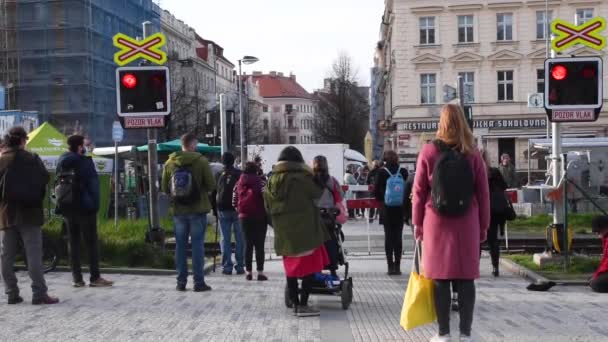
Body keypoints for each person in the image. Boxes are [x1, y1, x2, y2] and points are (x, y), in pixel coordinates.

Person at [412, 104, 490, 342]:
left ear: (441, 123)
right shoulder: (473, 152)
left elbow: (418, 191)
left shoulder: (428, 151)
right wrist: (484, 225)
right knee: (466, 278)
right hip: (467, 222)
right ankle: (465, 334)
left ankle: (443, 333)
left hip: (436, 221)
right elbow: (483, 192)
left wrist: (417, 223)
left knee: (440, 278)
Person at [264, 146, 329, 317]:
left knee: (290, 269)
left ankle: (294, 303)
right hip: (305, 231)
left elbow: (267, 206)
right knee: (309, 268)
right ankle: (303, 305)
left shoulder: (271, 180)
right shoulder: (303, 178)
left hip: (284, 233)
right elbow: (318, 193)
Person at [0, 126, 59, 305]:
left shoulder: (1, 160)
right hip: (30, 214)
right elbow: (45, 179)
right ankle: (39, 293)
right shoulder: (32, 158)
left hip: (6, 215)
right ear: (23, 140)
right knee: (33, 256)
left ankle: (12, 293)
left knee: (6, 257)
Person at [56, 134, 113, 288]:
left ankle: (77, 279)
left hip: (68, 207)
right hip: (85, 207)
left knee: (73, 243)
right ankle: (95, 277)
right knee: (91, 243)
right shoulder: (85, 162)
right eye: (85, 144)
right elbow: (93, 186)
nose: (87, 147)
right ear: (80, 147)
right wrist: (95, 205)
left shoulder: (61, 161)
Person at [162, 133, 216, 292]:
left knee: (180, 247)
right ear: (192, 145)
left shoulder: (169, 163)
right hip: (198, 210)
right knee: (197, 246)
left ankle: (181, 282)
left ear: (181, 145)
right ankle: (199, 283)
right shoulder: (201, 161)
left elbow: (165, 188)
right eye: (196, 144)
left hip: (179, 210)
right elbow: (211, 185)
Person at [374, 150, 408, 276]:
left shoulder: (382, 172)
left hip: (386, 209)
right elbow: (409, 190)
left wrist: (383, 199)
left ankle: (390, 266)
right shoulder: (403, 172)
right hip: (400, 210)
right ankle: (398, 266)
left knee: (388, 237)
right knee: (398, 237)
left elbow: (376, 192)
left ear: (385, 159)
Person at [233, 162, 268, 281]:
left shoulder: (239, 183)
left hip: (244, 218)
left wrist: (240, 211)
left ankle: (248, 272)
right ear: (256, 170)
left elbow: (234, 201)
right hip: (260, 217)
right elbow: (267, 199)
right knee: (259, 246)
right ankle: (260, 272)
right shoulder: (262, 182)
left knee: (247, 245)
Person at [312, 155, 344, 277]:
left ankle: (316, 268)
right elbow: (339, 197)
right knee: (331, 240)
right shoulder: (332, 181)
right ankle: (332, 268)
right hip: (328, 218)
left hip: (313, 219)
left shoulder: (308, 181)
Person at [216, 152, 244, 275]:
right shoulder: (240, 174)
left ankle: (227, 266)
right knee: (240, 238)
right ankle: (240, 266)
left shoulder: (218, 174)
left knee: (225, 238)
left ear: (222, 162)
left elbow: (213, 192)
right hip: (237, 209)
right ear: (233, 161)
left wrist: (214, 208)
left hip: (222, 209)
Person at [482, 149, 508, 277]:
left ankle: (475, 268)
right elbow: (504, 186)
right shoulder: (495, 172)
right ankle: (495, 268)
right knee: (493, 240)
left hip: (480, 210)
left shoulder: (475, 172)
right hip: (494, 210)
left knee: (477, 241)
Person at [590, 215, 608, 293]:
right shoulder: (606, 238)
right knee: (594, 281)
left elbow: (606, 261)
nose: (597, 234)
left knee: (596, 284)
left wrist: (596, 275)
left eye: (598, 231)